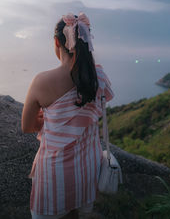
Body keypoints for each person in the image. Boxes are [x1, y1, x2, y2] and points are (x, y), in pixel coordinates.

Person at [21, 12, 114, 219]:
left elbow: (27, 127)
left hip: (55, 175)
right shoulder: (99, 77)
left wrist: (49, 121)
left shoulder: (41, 82)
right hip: (88, 169)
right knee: (76, 214)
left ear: (57, 41)